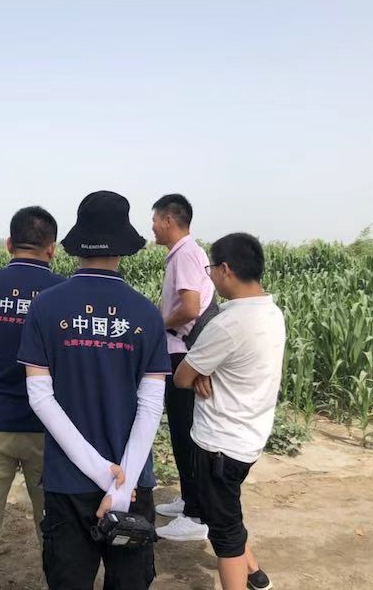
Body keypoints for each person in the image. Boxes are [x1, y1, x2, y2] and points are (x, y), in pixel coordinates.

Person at [17, 191, 170, 590]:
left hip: (68, 481)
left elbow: (40, 398)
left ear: (79, 241)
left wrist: (99, 471)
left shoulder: (45, 307)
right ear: (123, 244)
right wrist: (120, 484)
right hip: (132, 482)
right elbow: (151, 404)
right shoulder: (146, 313)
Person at [173, 233, 284, 590]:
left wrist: (200, 372)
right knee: (226, 510)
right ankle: (255, 573)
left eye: (210, 269)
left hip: (219, 445)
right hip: (249, 436)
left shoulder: (227, 324)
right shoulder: (270, 311)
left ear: (225, 269)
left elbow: (182, 377)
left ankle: (244, 577)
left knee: (224, 534)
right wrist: (205, 371)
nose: (209, 276)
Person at [0, 207, 65, 590]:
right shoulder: (62, 291)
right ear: (51, 248)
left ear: (9, 243)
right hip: (47, 427)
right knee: (51, 521)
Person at [150, 194, 215, 542]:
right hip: (182, 351)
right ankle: (190, 499)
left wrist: (157, 324)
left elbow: (190, 308)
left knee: (185, 430)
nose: (152, 227)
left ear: (169, 220)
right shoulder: (184, 253)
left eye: (155, 220)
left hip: (183, 352)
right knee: (181, 429)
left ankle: (196, 514)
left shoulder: (186, 253)